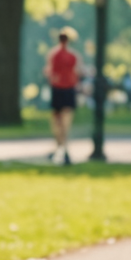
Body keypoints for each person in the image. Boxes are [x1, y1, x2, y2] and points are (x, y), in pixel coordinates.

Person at [45, 28, 81, 164]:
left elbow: (50, 73)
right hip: (68, 90)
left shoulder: (53, 54)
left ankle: (60, 147)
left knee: (57, 122)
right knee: (66, 122)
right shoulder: (73, 56)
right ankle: (63, 147)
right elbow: (77, 72)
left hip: (58, 89)